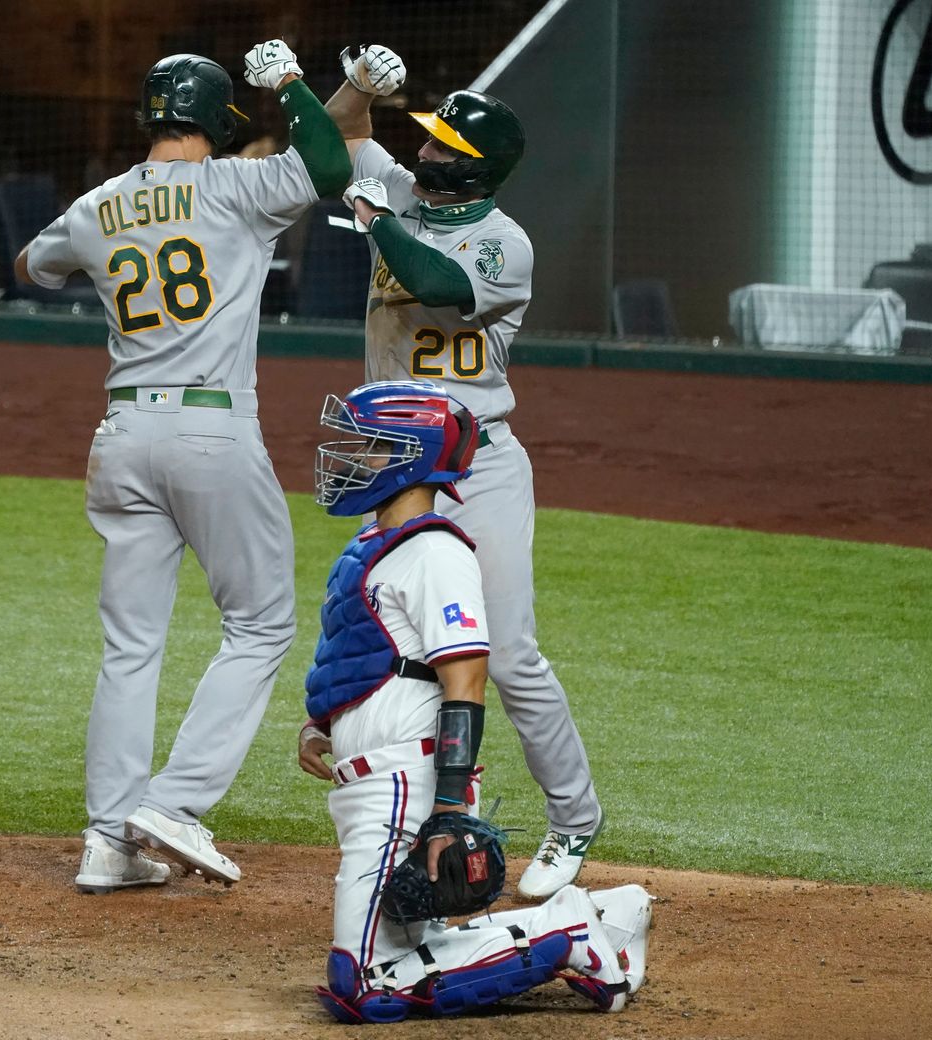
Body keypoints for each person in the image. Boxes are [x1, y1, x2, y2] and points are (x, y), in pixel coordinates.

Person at [15, 41, 350, 894]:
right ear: (216, 123)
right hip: (210, 432)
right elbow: (328, 160)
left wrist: (107, 240)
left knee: (131, 645)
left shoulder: (98, 204)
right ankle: (178, 801)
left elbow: (29, 267)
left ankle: (107, 839)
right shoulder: (239, 187)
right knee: (262, 622)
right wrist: (295, 86)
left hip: (122, 434)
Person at [321, 46, 608, 901]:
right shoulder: (401, 189)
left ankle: (575, 818)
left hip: (477, 465)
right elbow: (338, 139)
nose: (426, 150)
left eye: (443, 143)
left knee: (509, 654)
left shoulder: (502, 244)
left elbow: (438, 284)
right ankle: (425, 820)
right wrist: (355, 88)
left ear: (473, 165)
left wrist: (376, 222)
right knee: (399, 645)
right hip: (396, 464)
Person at [299, 380, 652, 1023]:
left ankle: (571, 935)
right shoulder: (375, 546)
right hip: (370, 783)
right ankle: (602, 916)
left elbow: (466, 677)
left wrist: (450, 807)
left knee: (367, 986)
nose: (351, 458)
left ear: (411, 456)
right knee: (413, 948)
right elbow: (371, 655)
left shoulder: (436, 550)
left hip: (408, 782)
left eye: (371, 446)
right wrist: (323, 723)